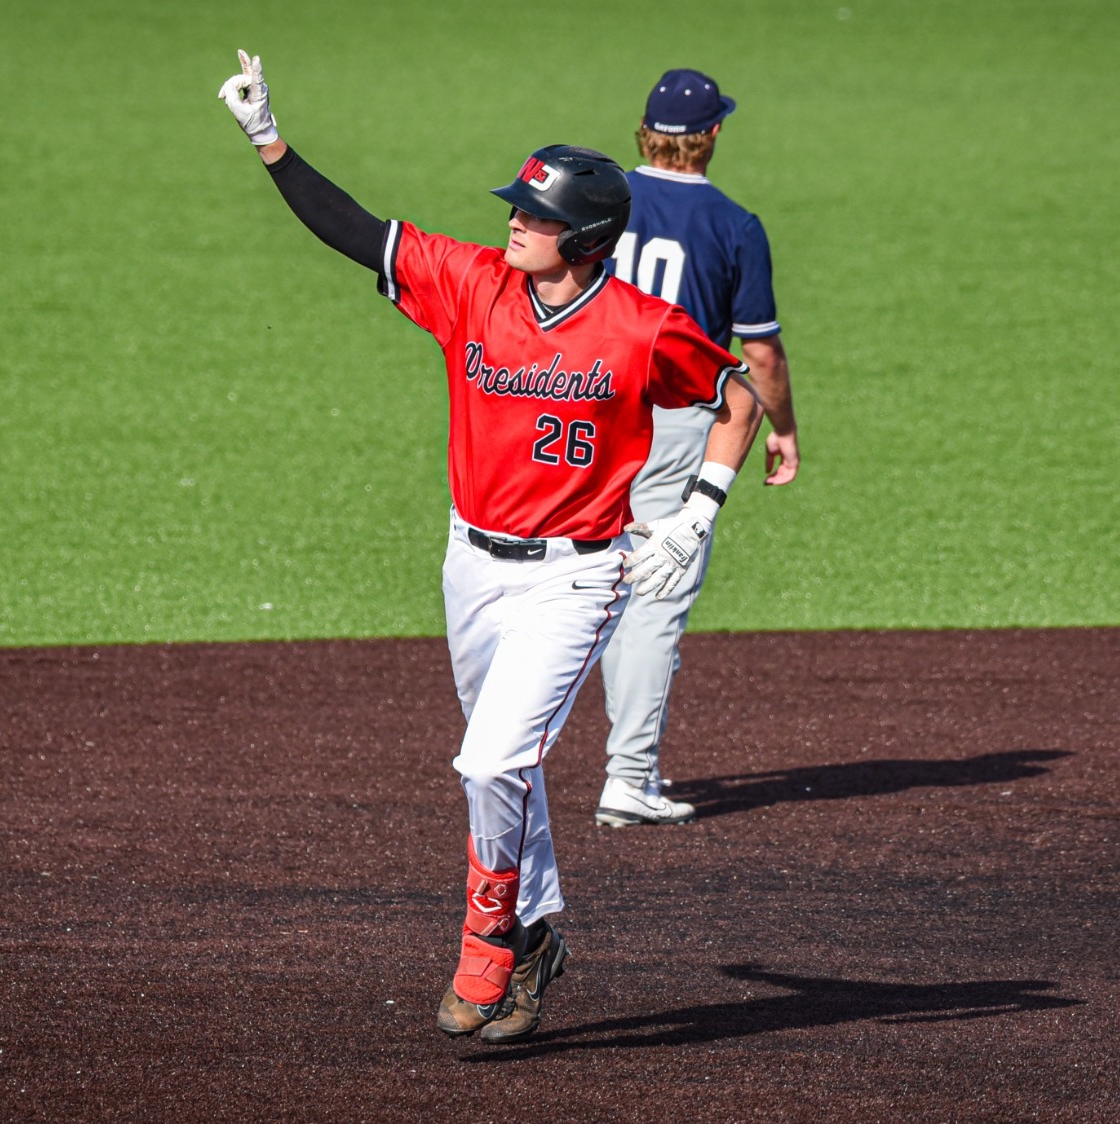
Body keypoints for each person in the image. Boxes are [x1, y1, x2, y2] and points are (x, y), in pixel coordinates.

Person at [217, 52, 763, 1044]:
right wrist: (268, 141)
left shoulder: (639, 330)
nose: (514, 218)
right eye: (517, 204)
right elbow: (355, 231)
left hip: (577, 574)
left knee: (490, 756)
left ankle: (484, 948)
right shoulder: (468, 284)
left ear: (586, 237)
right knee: (502, 769)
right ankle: (538, 935)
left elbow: (736, 398)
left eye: (537, 212)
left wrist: (694, 512)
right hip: (468, 565)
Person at [593, 68, 803, 827]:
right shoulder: (732, 223)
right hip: (678, 424)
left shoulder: (600, 197)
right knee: (656, 596)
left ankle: (537, 759)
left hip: (585, 410)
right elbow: (762, 356)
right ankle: (629, 774)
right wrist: (781, 427)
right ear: (711, 134)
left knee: (601, 585)